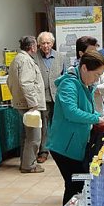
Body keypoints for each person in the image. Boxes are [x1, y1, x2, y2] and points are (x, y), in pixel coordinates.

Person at [47, 50, 104, 205]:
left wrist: (97, 115)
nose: (97, 79)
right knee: (74, 185)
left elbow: (86, 108)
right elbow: (71, 112)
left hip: (75, 144)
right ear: (84, 68)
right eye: (96, 74)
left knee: (78, 184)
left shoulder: (85, 85)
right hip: (64, 146)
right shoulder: (69, 84)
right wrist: (95, 118)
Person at [8, 35, 46, 173]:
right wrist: (33, 104)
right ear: (32, 47)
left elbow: (10, 82)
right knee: (34, 137)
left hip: (22, 103)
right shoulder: (26, 61)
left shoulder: (17, 59)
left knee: (26, 136)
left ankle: (26, 163)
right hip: (29, 105)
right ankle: (29, 166)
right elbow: (26, 83)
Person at [34, 31, 66, 164]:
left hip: (58, 97)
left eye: (48, 43)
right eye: (43, 43)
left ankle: (59, 150)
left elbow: (65, 77)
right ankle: (43, 151)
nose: (46, 46)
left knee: (58, 125)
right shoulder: (34, 58)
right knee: (43, 126)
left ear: (52, 43)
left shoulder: (60, 57)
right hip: (42, 98)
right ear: (39, 44)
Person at [75, 36, 104, 115]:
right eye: (91, 52)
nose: (95, 55)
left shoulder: (100, 67)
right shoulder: (73, 72)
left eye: (96, 51)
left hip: (98, 113)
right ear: (81, 53)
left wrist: (90, 89)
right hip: (81, 116)